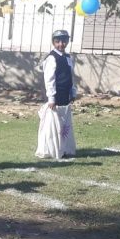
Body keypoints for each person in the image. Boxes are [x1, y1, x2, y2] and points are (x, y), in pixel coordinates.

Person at [35, 29, 78, 160]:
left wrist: (73, 91)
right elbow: (49, 79)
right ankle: (52, 148)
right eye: (58, 41)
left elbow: (71, 76)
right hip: (56, 94)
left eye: (64, 41)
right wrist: (51, 97)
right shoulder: (52, 58)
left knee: (64, 123)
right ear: (53, 42)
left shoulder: (68, 57)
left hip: (65, 93)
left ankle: (64, 147)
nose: (61, 44)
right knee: (54, 123)